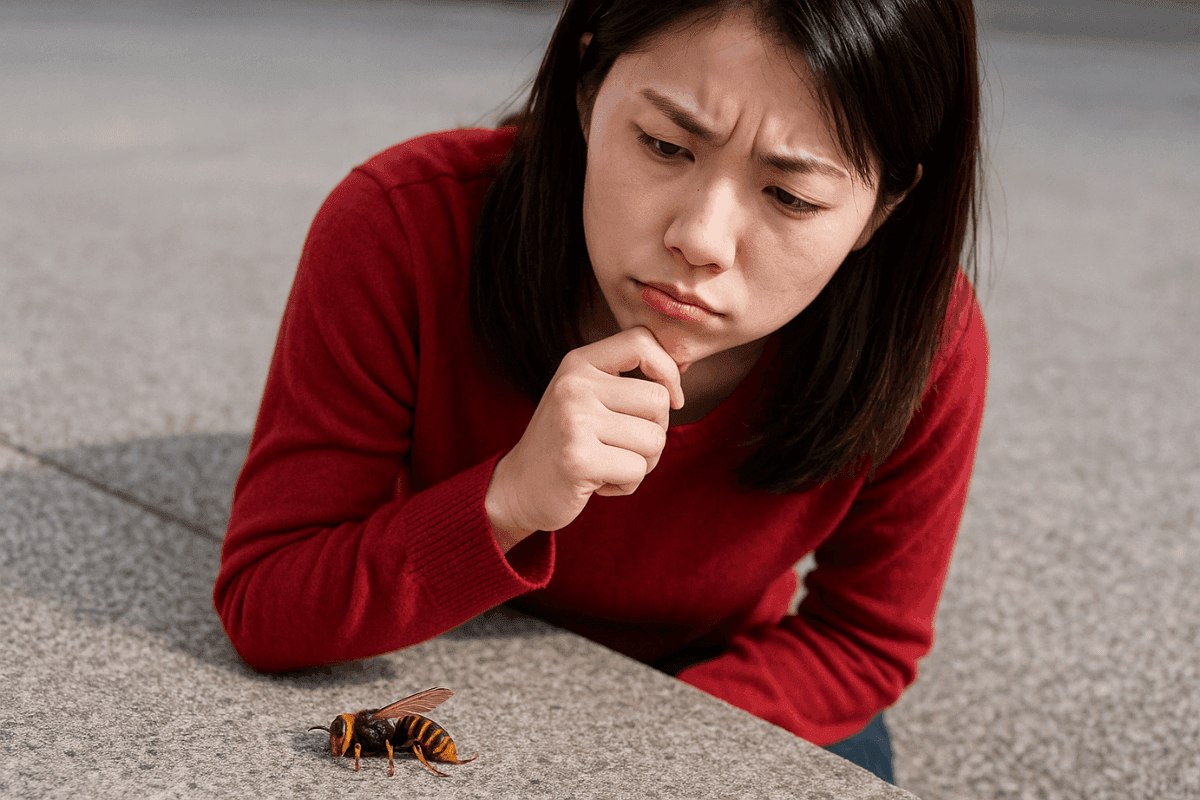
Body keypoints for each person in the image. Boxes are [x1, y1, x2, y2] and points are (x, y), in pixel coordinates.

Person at [214, 0, 987, 783]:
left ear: (886, 206)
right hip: (436, 628)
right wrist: (509, 497)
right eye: (665, 145)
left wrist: (624, 753)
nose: (701, 239)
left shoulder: (920, 341)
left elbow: (860, 641)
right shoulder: (405, 227)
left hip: (731, 677)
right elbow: (267, 599)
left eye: (791, 197)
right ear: (586, 88)